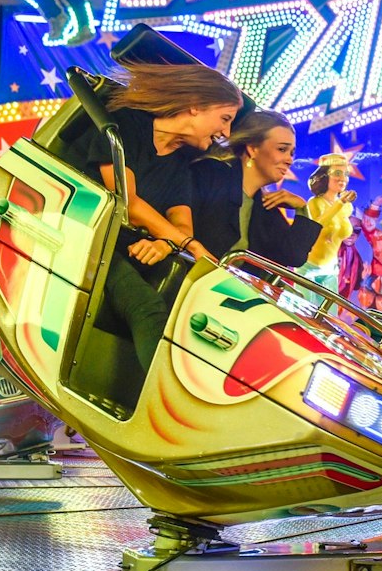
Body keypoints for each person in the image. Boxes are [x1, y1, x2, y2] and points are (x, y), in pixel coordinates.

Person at [51, 58, 241, 374]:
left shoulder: (179, 165)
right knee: (147, 308)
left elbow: (181, 224)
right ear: (195, 106)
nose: (226, 131)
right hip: (83, 236)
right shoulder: (126, 125)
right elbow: (129, 203)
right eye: (224, 118)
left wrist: (167, 245)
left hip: (120, 249)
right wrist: (190, 246)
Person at [189, 109, 322, 270]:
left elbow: (293, 255)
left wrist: (302, 208)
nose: (289, 160)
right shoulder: (213, 173)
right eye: (282, 149)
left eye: (292, 153)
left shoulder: (265, 205)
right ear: (253, 148)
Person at [299, 154, 356, 294]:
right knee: (306, 313)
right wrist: (339, 203)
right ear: (324, 176)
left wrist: (342, 203)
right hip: (309, 268)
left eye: (346, 174)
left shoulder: (347, 207)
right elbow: (316, 226)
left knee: (329, 314)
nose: (343, 178)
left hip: (331, 269)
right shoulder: (315, 203)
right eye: (337, 173)